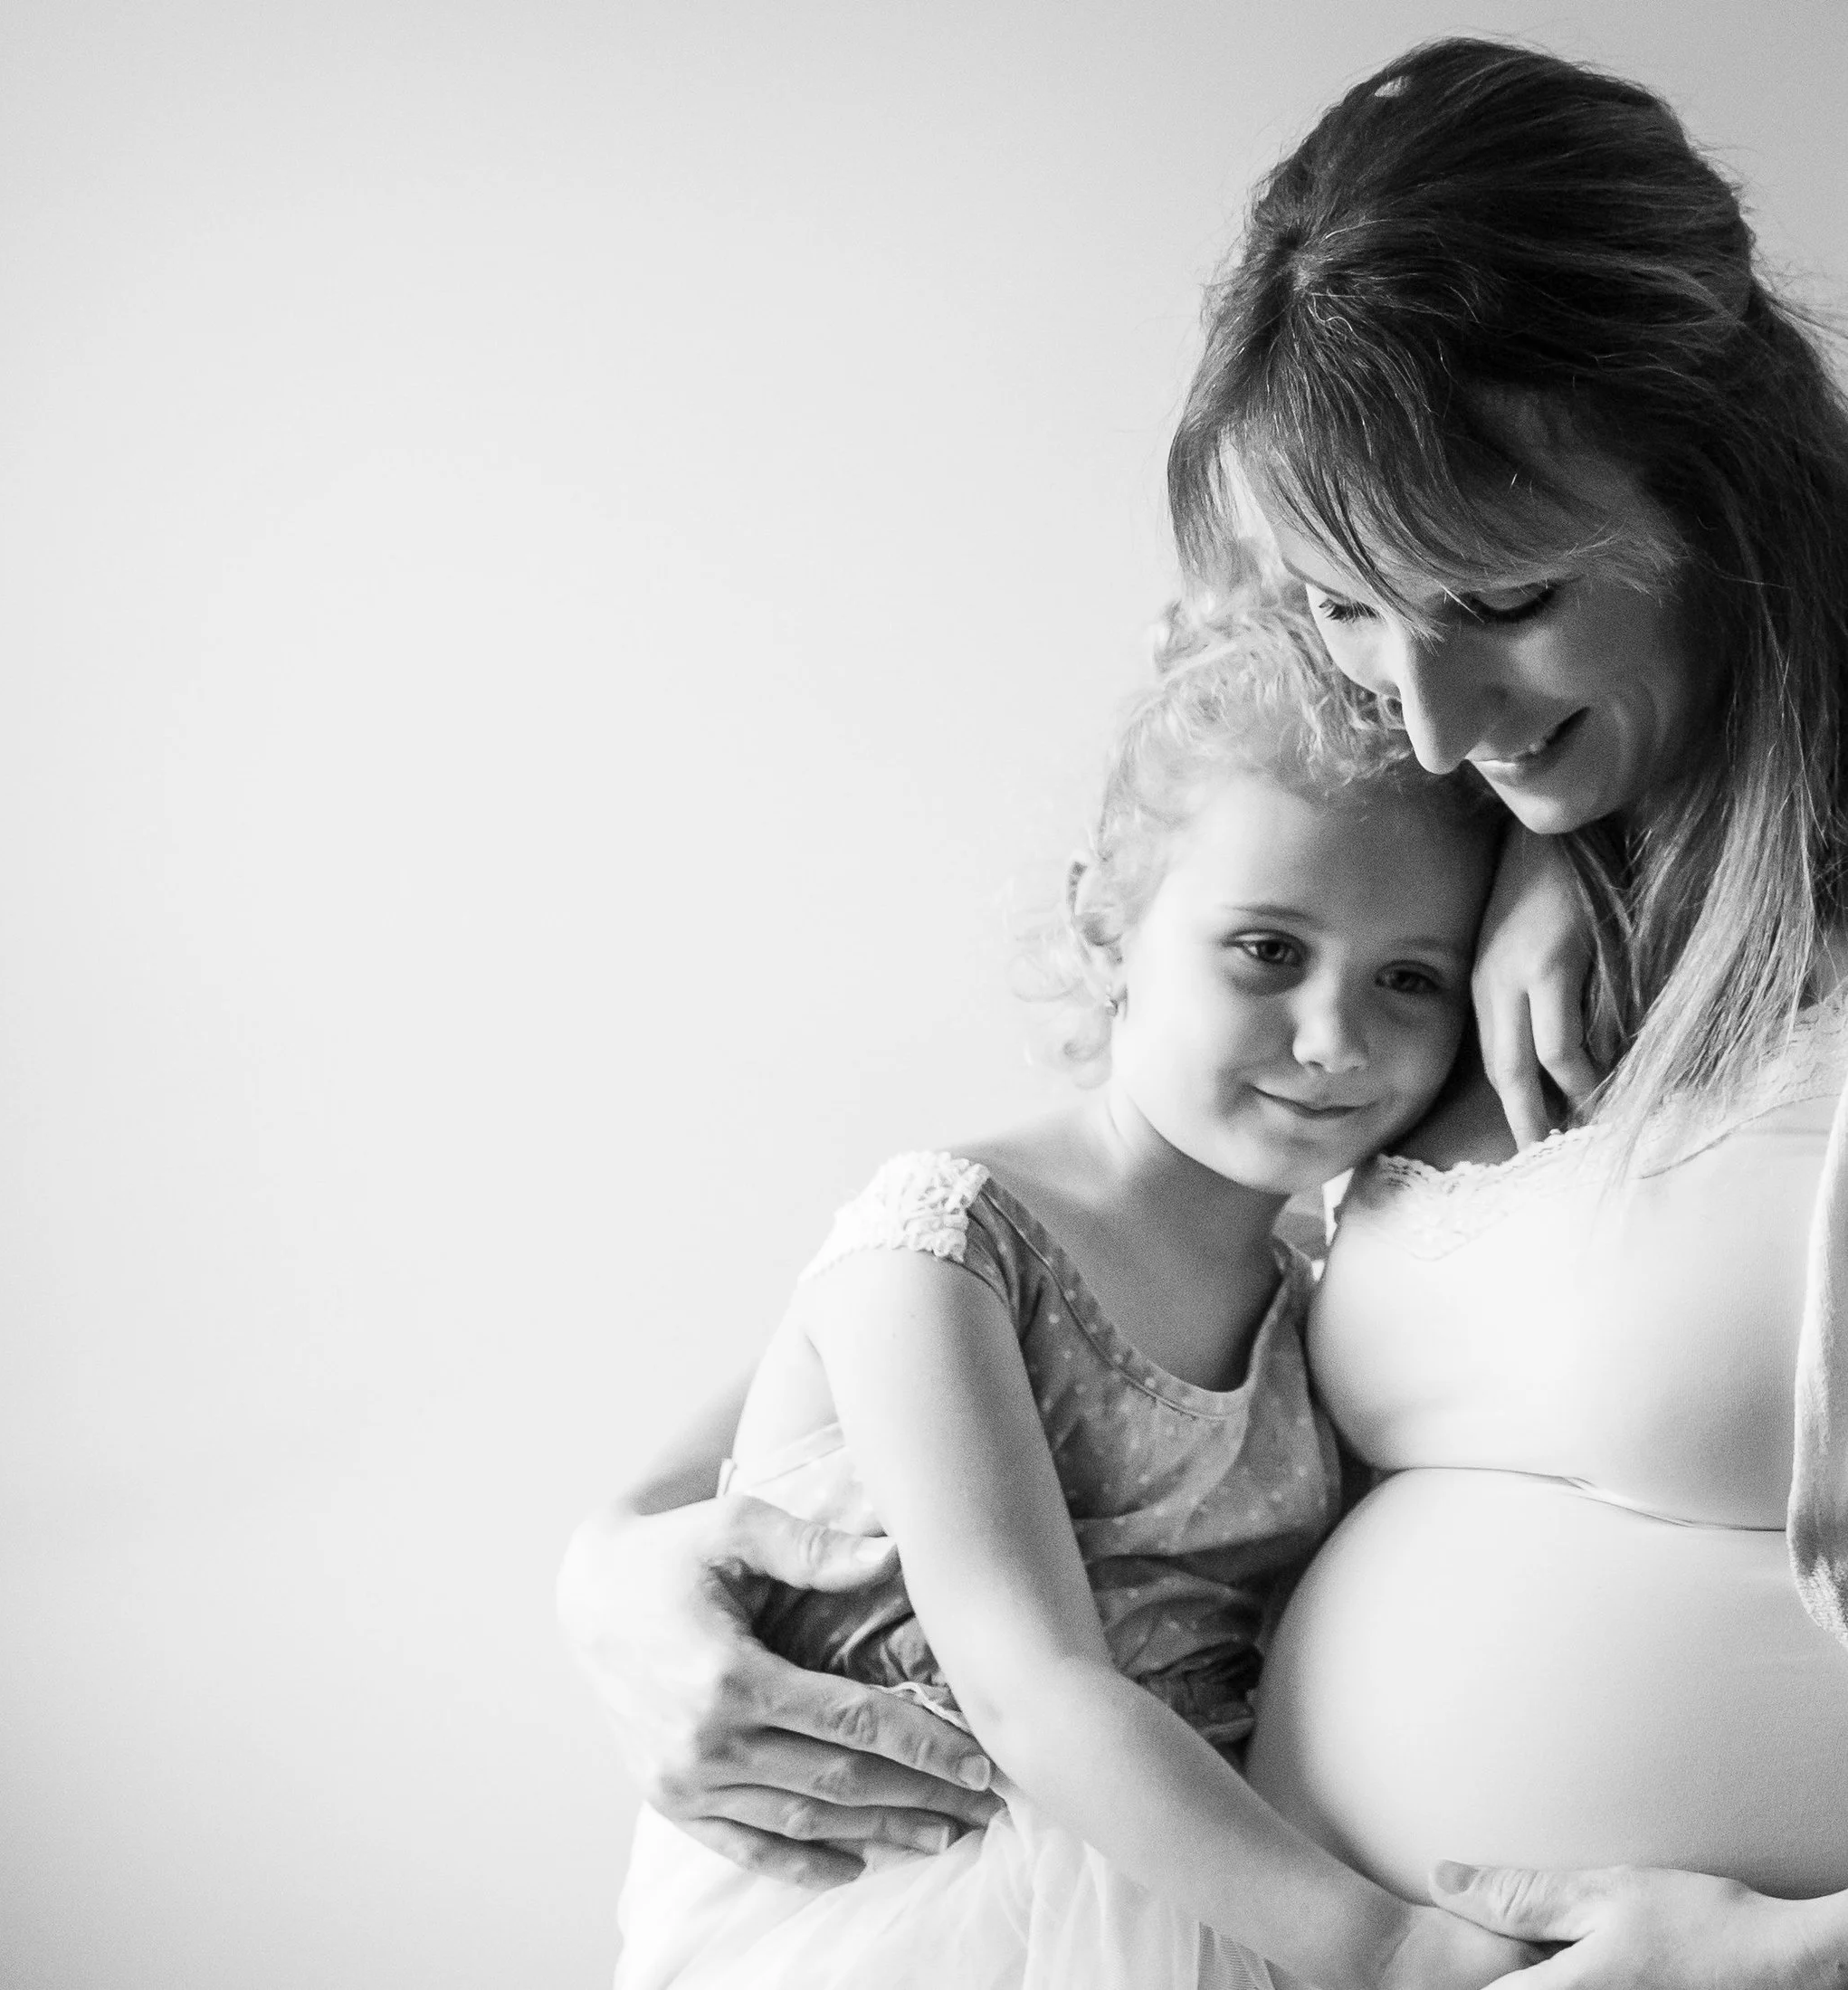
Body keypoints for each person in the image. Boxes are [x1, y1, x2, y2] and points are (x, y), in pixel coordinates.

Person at [560, 38, 1848, 1985]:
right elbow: (979, 1278)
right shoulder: (1463, 883)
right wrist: (613, 1561)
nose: (1422, 724)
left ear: (1718, 483)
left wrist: (1800, 1955)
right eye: (1343, 605)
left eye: (1495, 597)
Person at [614, 595, 1525, 1990]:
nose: (1337, 1036)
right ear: (1109, 924)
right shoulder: (944, 1242)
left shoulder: (1321, 1296)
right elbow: (1030, 1687)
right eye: (1268, 950)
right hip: (915, 1914)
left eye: (1411, 978)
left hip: (1195, 1900)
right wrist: (1390, 1945)